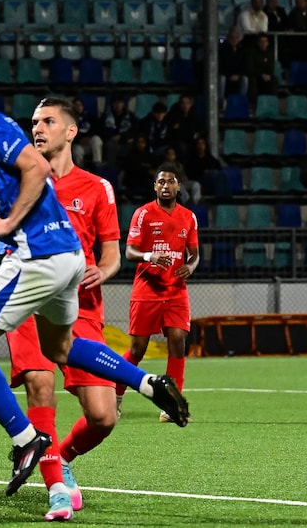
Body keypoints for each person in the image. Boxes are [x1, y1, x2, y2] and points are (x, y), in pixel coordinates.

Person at [0, 58, 190, 499]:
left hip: (36, 260)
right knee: (56, 351)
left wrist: (6, 228)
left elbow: (34, 173)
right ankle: (144, 383)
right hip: (64, 262)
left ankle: (27, 441)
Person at [1, 97, 123, 521]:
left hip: (81, 310)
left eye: (48, 121)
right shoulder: (18, 183)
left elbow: (112, 255)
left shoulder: (96, 188)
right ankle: (55, 488)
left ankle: (63, 456)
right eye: (34, 122)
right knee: (40, 385)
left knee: (103, 417)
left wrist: (101, 273)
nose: (37, 128)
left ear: (71, 131)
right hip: (29, 303)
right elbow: (3, 245)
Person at [118, 163, 200, 423]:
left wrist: (190, 266)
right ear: (155, 186)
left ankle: (171, 404)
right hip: (147, 291)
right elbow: (129, 252)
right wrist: (149, 255)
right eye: (161, 182)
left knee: (177, 341)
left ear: (178, 186)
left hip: (176, 291)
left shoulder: (189, 216)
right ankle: (116, 395)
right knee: (137, 348)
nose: (166, 186)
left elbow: (195, 255)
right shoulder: (143, 214)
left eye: (171, 181)